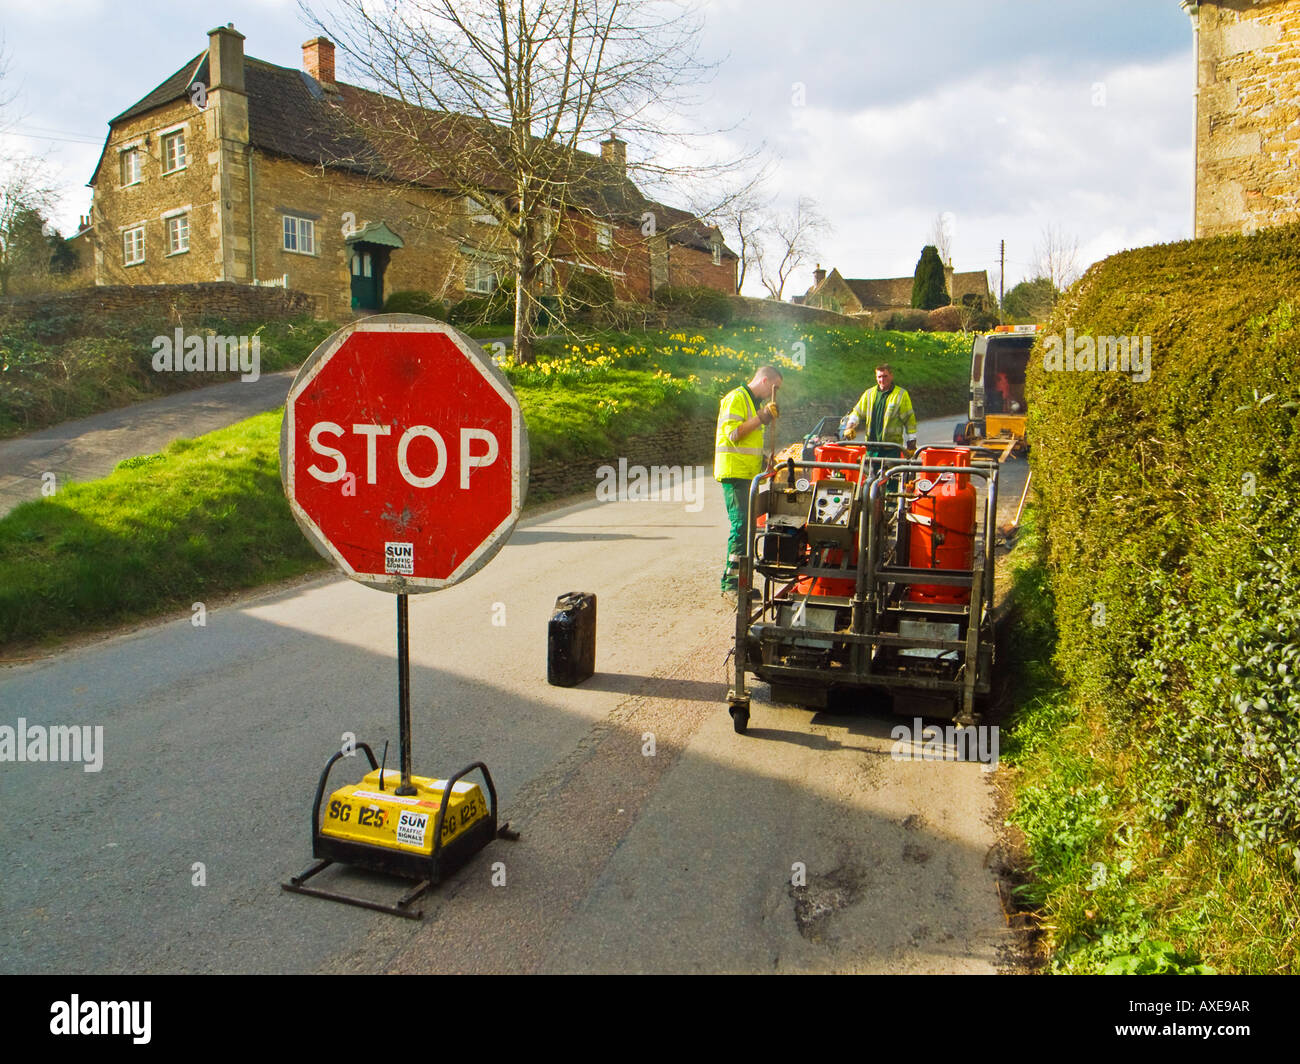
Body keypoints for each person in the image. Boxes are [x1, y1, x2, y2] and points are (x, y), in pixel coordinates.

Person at [714, 365, 782, 594]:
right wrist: (761, 418)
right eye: (775, 387)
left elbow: (748, 442)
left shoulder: (752, 403)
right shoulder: (735, 398)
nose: (775, 393)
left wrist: (765, 461)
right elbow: (733, 434)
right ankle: (731, 585)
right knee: (741, 526)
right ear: (765, 381)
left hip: (746, 474)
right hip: (734, 474)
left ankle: (742, 583)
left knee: (747, 527)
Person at [842, 364, 917, 452]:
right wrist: (849, 427)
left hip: (892, 448)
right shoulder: (869, 394)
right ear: (876, 377)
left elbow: (909, 420)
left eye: (885, 376)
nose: (882, 380)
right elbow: (857, 413)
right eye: (879, 377)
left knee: (893, 467)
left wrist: (911, 443)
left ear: (891, 376)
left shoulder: (901, 394)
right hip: (871, 447)